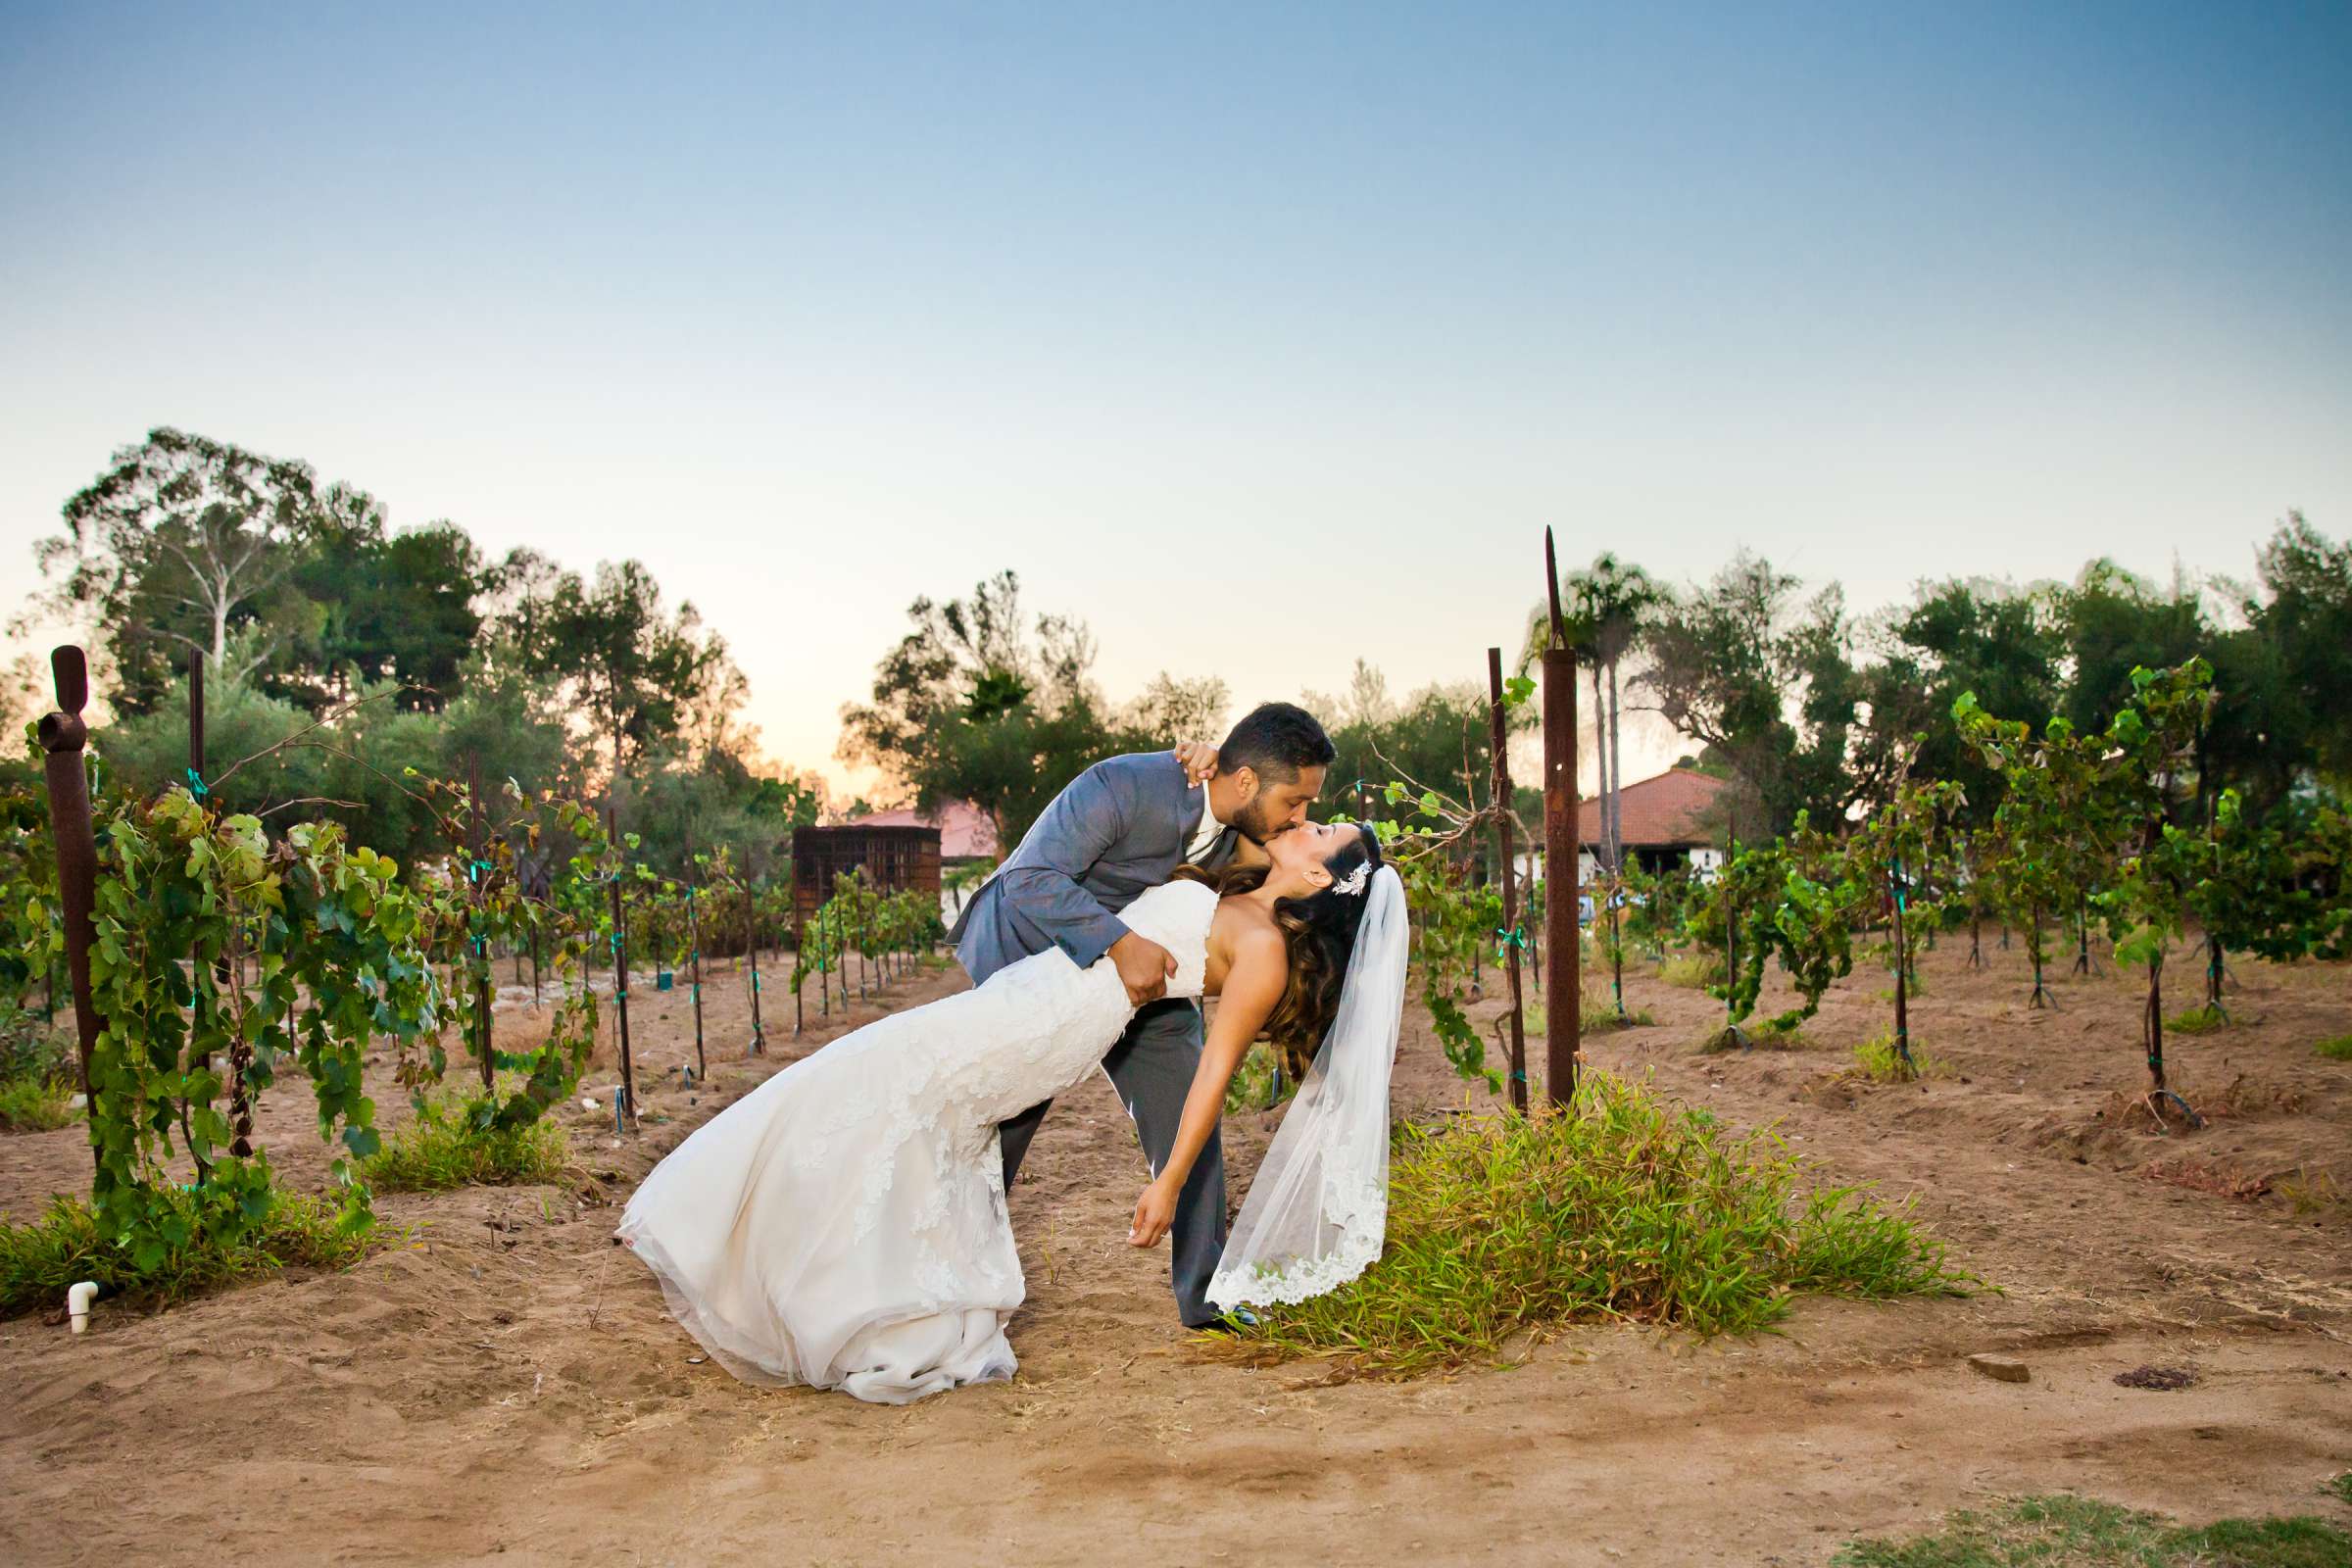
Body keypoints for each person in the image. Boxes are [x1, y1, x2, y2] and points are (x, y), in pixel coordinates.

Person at [613, 809, 1394, 1404]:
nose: (1303, 821)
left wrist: (1167, 1181)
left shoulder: (1262, 951)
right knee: (877, 1088)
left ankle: (752, 1248)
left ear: (1323, 879)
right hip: (1038, 990)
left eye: (1322, 829)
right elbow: (1202, 819)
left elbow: (1210, 1079)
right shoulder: (1239, 885)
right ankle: (814, 1269)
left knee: (872, 1074)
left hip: (1051, 1022)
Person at [949, 701, 1334, 1328]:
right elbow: (1030, 876)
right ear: (1245, 781)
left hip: (1152, 984)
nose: (1303, 816)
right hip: (1034, 956)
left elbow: (1319, 869)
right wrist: (1119, 944)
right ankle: (960, 1291)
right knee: (1002, 1128)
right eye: (1295, 801)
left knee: (1190, 1116)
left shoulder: (1254, 833)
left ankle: (1206, 1298)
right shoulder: (1122, 784)